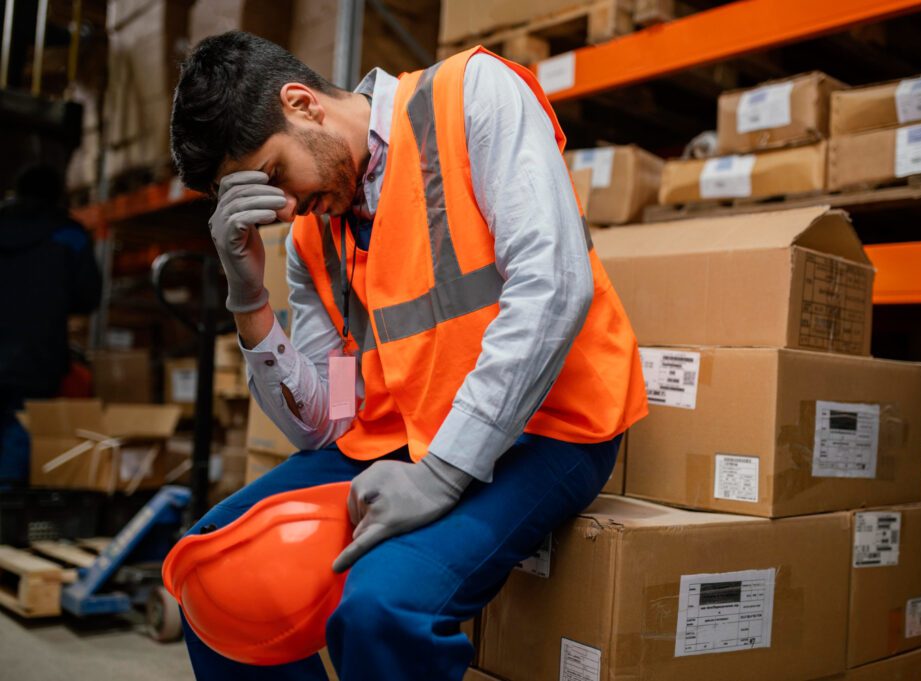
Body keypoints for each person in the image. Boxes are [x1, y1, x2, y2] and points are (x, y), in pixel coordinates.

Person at [170, 31, 647, 680]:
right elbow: (326, 424)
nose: (284, 208)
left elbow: (554, 286)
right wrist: (249, 297)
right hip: (401, 435)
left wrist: (439, 476)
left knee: (381, 608)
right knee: (212, 576)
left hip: (548, 426)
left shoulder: (471, 97)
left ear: (302, 103)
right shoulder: (313, 237)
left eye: (275, 174)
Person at [0, 163, 102, 487]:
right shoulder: (68, 234)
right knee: (22, 427)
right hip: (37, 352)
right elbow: (88, 296)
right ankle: (8, 500)